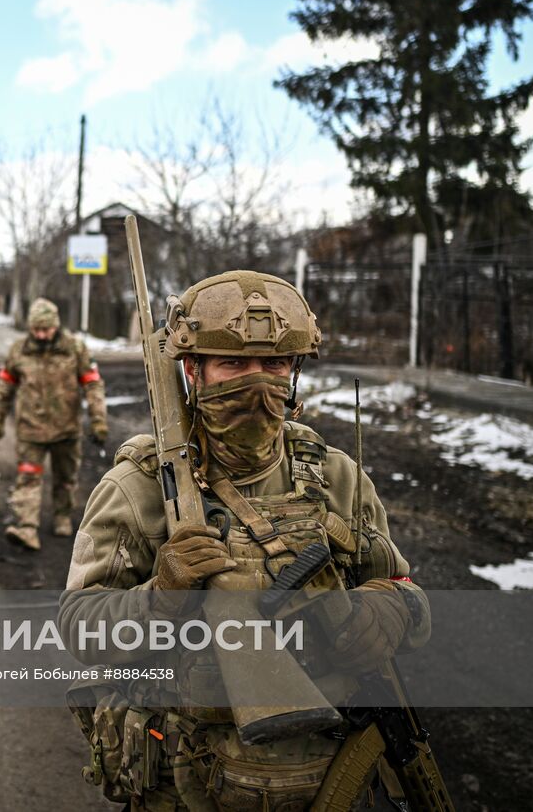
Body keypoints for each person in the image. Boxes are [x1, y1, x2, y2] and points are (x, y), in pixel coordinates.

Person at [59, 270, 431, 810]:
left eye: (275, 364)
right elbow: (77, 624)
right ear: (194, 371)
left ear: (294, 372)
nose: (257, 383)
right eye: (233, 364)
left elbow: (404, 589)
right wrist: (158, 598)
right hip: (184, 786)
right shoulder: (137, 487)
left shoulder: (337, 476)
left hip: (332, 780)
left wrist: (388, 612)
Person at [0, 297, 108, 551]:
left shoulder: (74, 348)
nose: (41, 335)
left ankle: (62, 516)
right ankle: (27, 528)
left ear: (56, 326)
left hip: (66, 429)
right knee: (28, 479)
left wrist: (99, 420)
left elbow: (92, 384)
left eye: (46, 329)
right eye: (36, 329)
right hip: (30, 429)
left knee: (65, 478)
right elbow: (5, 387)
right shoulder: (18, 351)